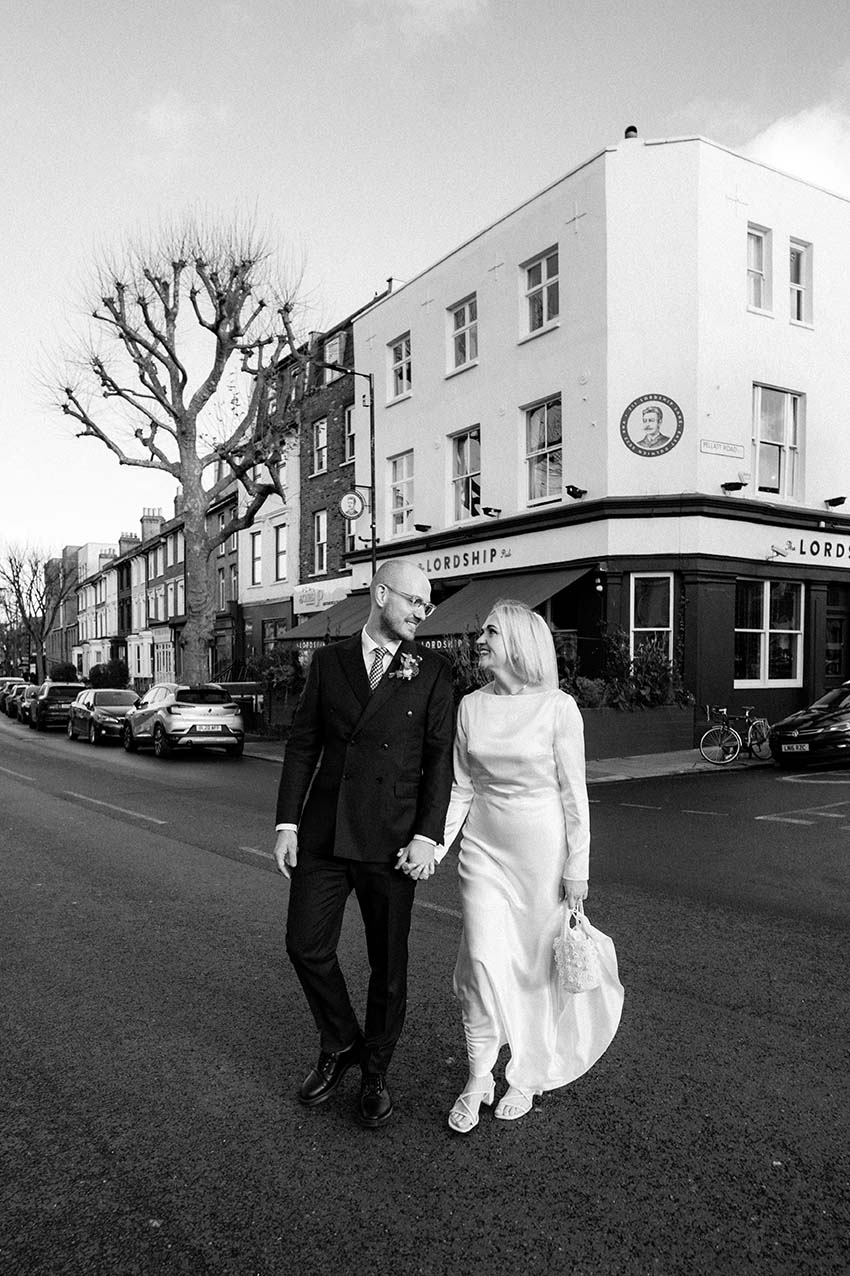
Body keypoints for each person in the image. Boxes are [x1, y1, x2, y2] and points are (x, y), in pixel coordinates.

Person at [273, 559, 454, 1128]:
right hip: (325, 834)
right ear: (381, 595)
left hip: (394, 838)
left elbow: (439, 761)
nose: (421, 615)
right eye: (413, 603)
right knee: (305, 944)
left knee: (388, 965)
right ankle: (341, 1040)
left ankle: (375, 1070)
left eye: (426, 606)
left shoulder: (433, 670)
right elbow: (304, 746)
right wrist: (287, 824)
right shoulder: (330, 663)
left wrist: (429, 835)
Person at [437, 599, 623, 1133]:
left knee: (532, 967)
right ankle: (478, 1077)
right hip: (483, 854)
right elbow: (462, 788)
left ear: (518, 641)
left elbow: (575, 795)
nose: (481, 640)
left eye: (490, 632)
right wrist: (437, 847)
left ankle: (525, 1074)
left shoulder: (558, 708)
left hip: (543, 858)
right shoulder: (470, 706)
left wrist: (577, 867)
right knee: (479, 961)